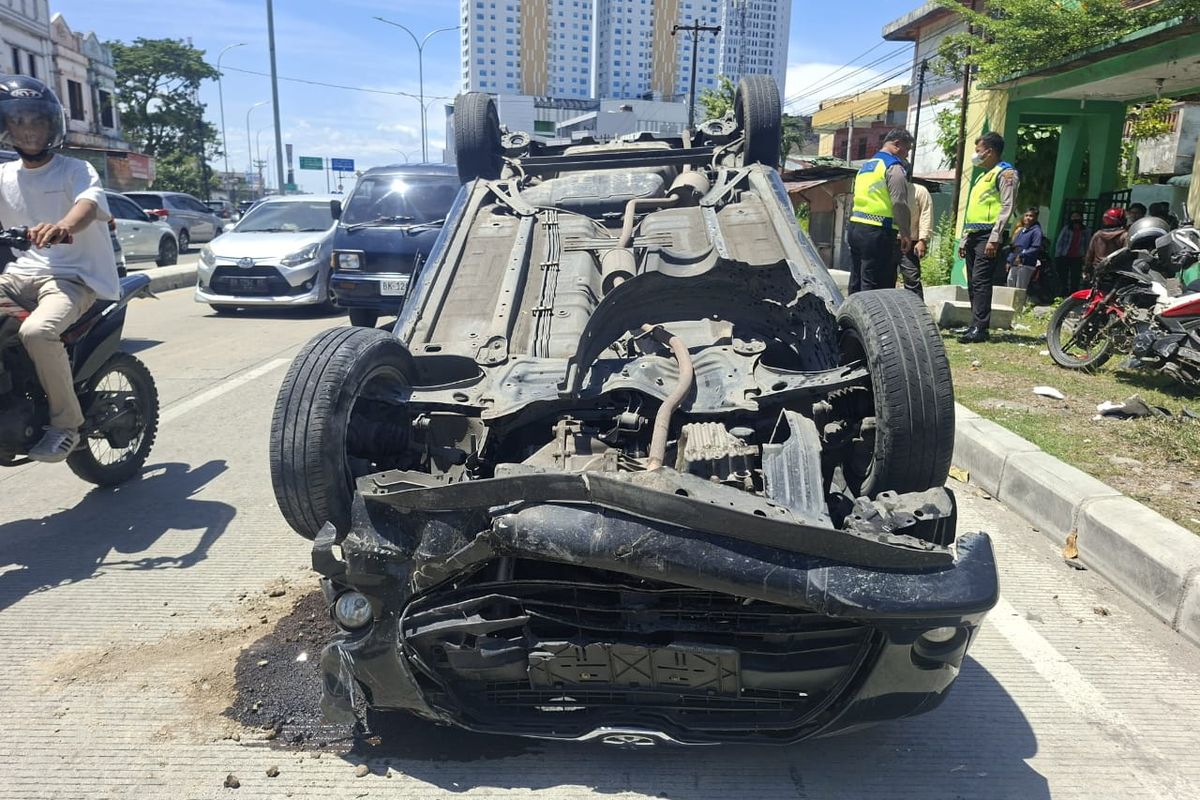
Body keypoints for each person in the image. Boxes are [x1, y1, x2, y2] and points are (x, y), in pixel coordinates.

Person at [0, 75, 117, 462]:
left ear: (51, 125)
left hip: (71, 277)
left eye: (36, 121)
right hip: (19, 275)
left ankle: (66, 425)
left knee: (37, 331)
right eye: (19, 121)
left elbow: (88, 204)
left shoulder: (76, 169)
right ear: (7, 125)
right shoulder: (3, 175)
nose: (29, 130)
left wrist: (63, 226)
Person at [958, 132, 1019, 343]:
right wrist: (965, 238)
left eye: (978, 151)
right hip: (974, 234)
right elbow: (973, 211)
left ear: (989, 151)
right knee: (974, 281)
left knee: (982, 281)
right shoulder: (982, 176)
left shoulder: (1005, 174)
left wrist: (995, 237)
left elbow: (1007, 206)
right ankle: (973, 324)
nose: (976, 155)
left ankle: (980, 328)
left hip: (988, 235)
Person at [846, 128, 913, 294]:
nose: (907, 155)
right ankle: (872, 319)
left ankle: (850, 317)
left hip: (856, 227)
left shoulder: (867, 166)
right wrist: (905, 233)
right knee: (876, 284)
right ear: (897, 145)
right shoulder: (893, 166)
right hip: (878, 231)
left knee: (857, 279)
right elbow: (898, 202)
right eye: (907, 149)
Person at [898, 178, 933, 297]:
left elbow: (926, 215)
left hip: (910, 243)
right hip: (889, 239)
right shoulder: (887, 190)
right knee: (885, 280)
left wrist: (922, 240)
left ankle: (918, 313)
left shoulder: (919, 191)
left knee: (912, 280)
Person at [1084, 207, 1128, 282]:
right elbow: (1127, 254)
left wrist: (1087, 270)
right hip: (1116, 272)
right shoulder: (1125, 235)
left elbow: (1089, 254)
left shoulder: (1098, 235)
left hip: (1098, 270)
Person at [1053, 210, 1089, 296]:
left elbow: (1087, 243)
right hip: (1065, 255)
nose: (1075, 219)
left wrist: (1086, 256)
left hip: (1078, 256)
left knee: (1075, 276)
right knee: (1063, 275)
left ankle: (1073, 294)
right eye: (1073, 217)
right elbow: (1060, 242)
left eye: (1077, 216)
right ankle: (1063, 292)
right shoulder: (1066, 229)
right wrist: (1058, 255)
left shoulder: (1085, 230)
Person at [1006, 207, 1043, 290]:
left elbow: (1035, 247)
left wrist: (1022, 255)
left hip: (1026, 264)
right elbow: (1014, 247)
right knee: (1010, 283)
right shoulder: (1021, 231)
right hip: (1015, 263)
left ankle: (1019, 303)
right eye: (1026, 215)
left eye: (1031, 216)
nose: (1028, 218)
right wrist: (1009, 260)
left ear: (1035, 218)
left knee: (1020, 288)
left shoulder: (1036, 231)